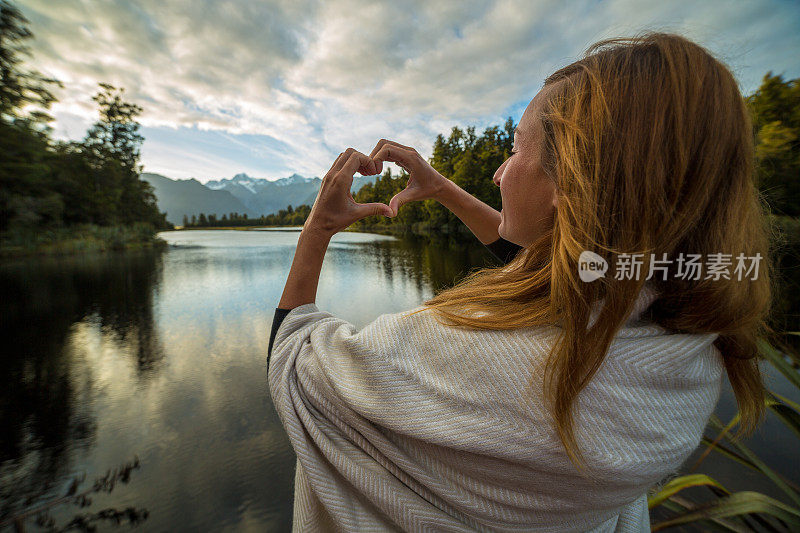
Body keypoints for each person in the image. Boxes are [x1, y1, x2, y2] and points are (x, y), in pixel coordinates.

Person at [267, 31, 773, 532]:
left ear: (571, 179)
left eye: (514, 150)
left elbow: (292, 363)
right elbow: (547, 265)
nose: (499, 173)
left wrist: (318, 230)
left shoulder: (465, 356)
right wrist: (442, 188)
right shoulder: (685, 344)